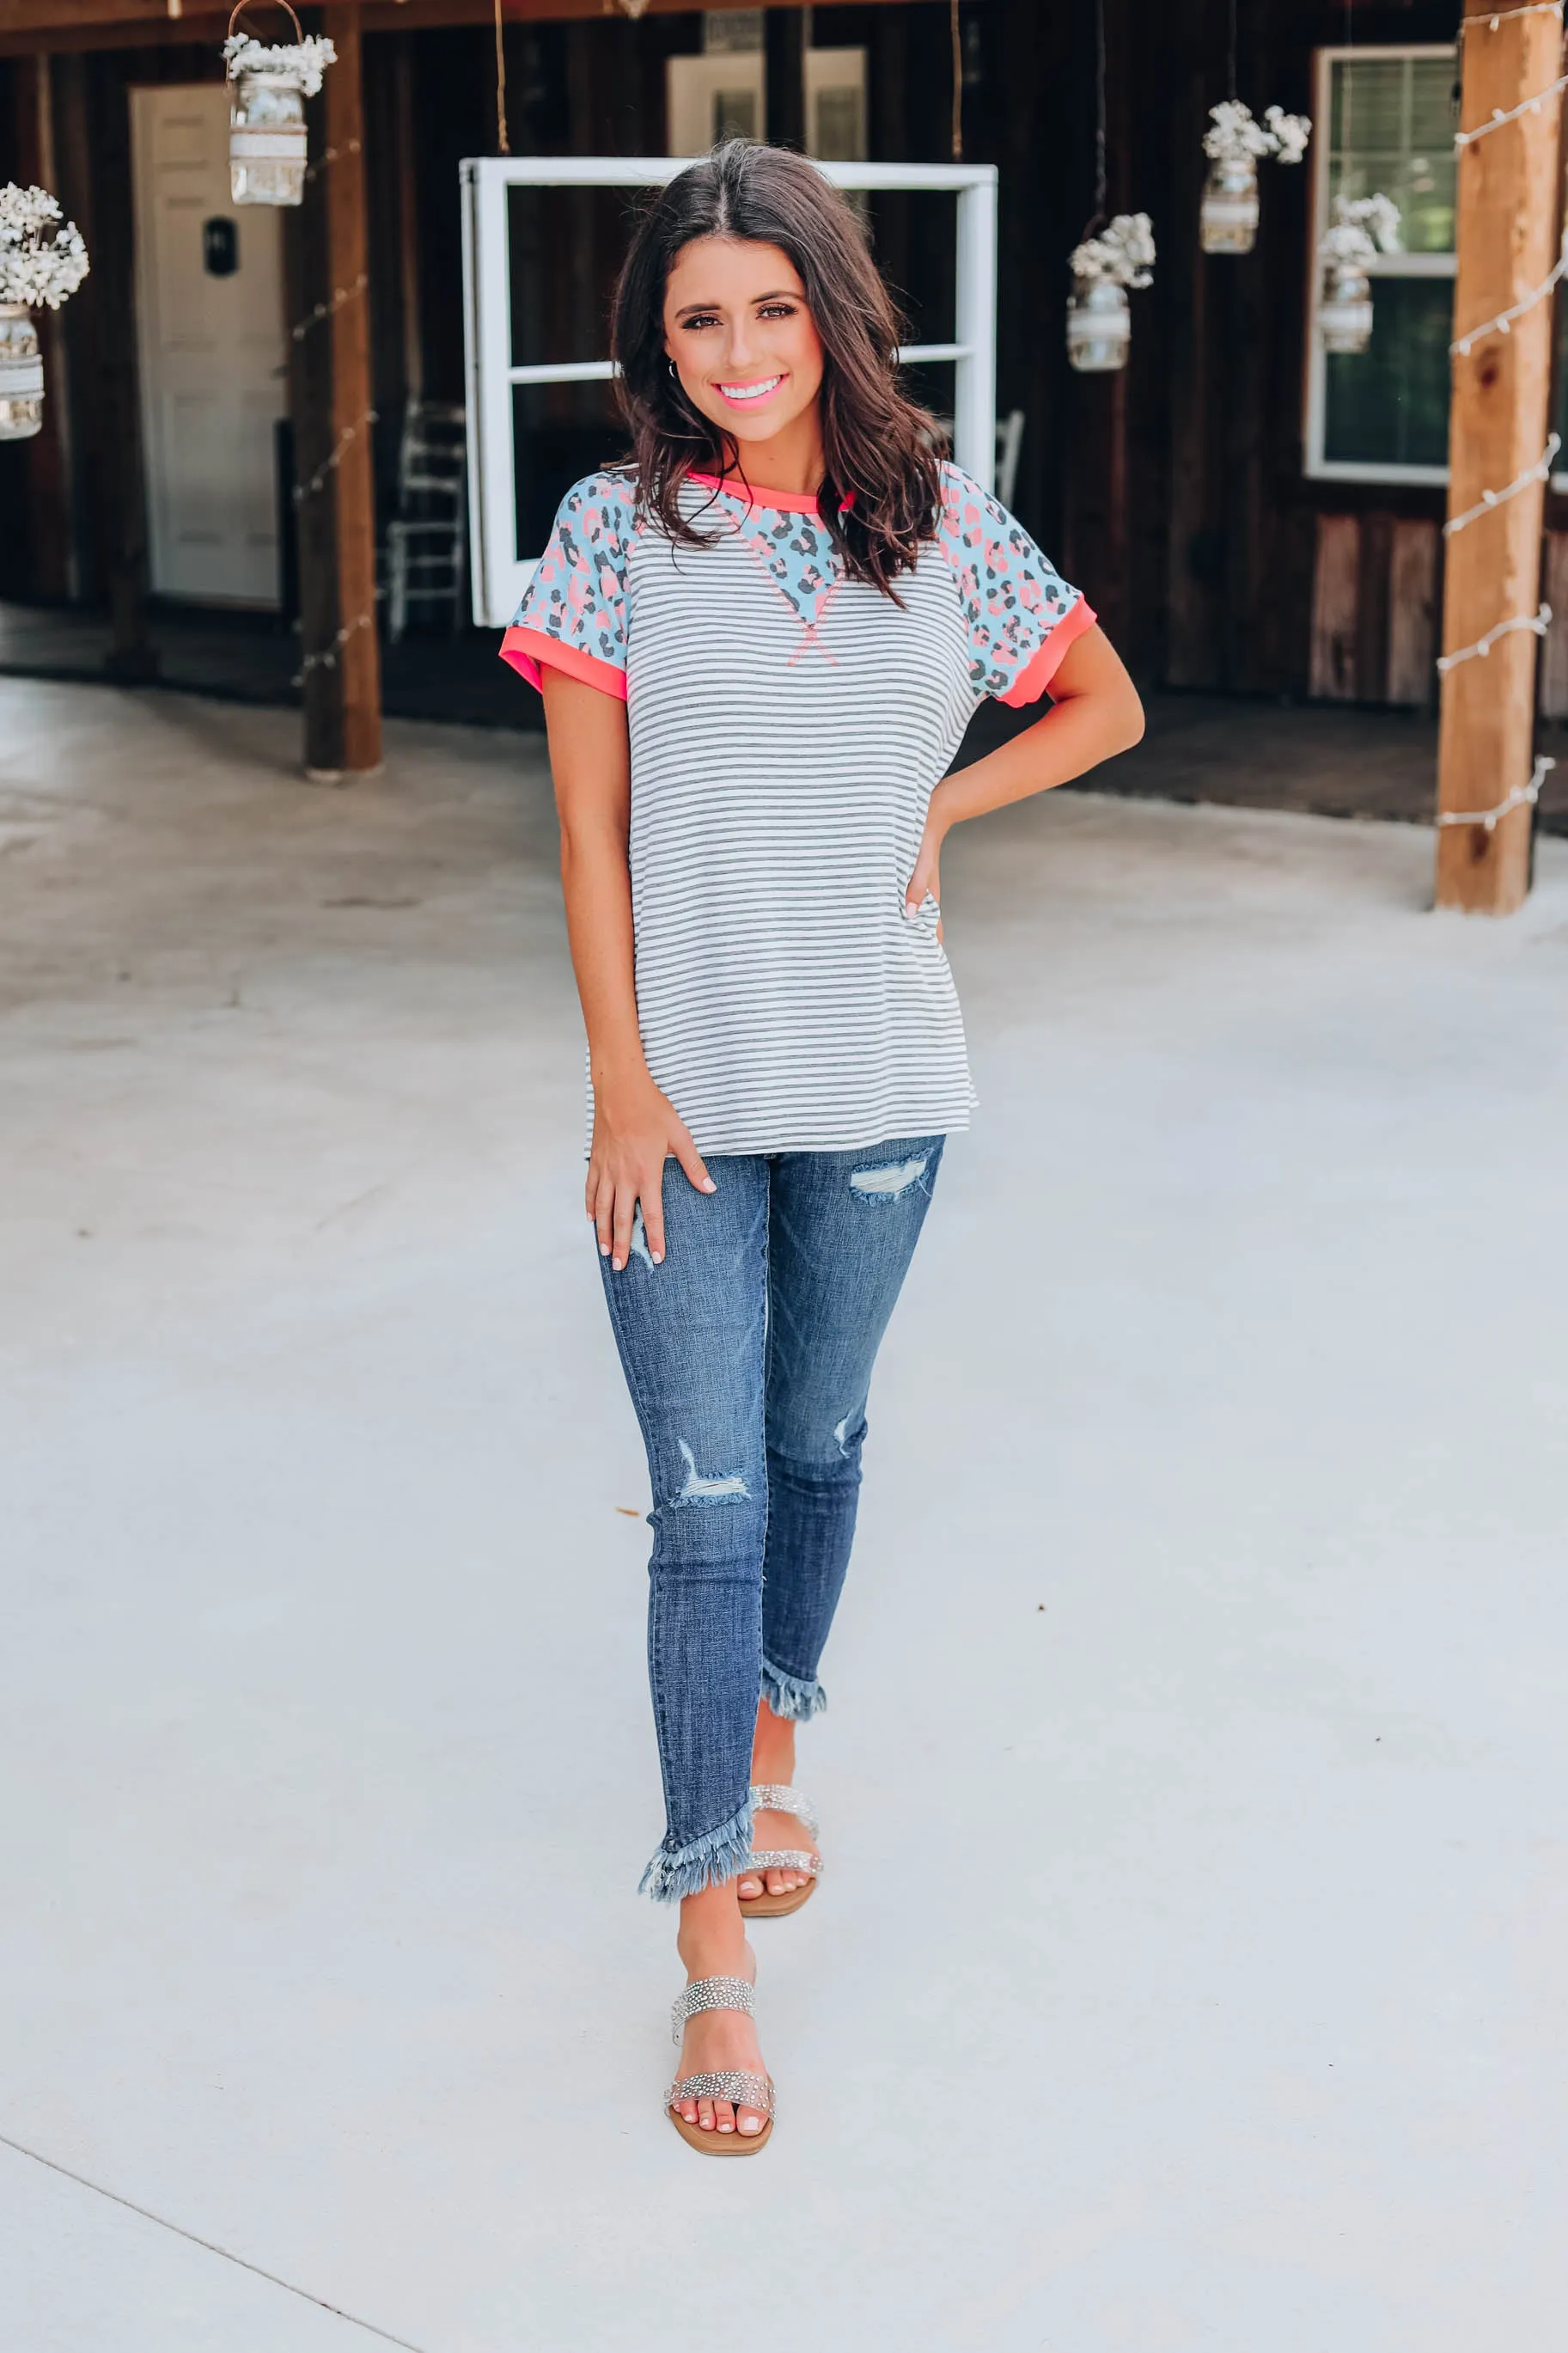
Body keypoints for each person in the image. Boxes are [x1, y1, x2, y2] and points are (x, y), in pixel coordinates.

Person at [501, 139, 1144, 2156]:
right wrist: (621, 1078)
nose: (739, 348)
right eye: (700, 317)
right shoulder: (611, 528)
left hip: (885, 1082)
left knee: (815, 1447)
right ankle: (712, 1945)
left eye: (771, 307)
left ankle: (780, 1746)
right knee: (699, 1499)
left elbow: (1103, 704)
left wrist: (937, 819)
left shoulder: (939, 525)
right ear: (659, 342)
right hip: (679, 1099)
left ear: (833, 313)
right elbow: (586, 837)